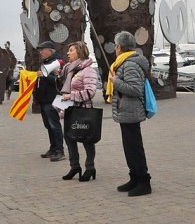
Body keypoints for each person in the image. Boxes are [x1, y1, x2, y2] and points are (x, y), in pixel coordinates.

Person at [107, 31, 153, 196]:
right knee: (129, 147)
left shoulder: (130, 64)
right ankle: (134, 177)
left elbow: (134, 89)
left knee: (135, 148)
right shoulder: (124, 63)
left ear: (120, 47)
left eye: (116, 46)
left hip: (131, 111)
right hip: (126, 111)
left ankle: (143, 181)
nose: (115, 49)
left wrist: (116, 82)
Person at [59, 41, 99, 182]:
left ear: (79, 52)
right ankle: (74, 167)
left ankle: (90, 168)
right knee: (69, 139)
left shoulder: (88, 70)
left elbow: (90, 92)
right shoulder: (69, 69)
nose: (68, 53)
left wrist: (71, 96)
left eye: (71, 50)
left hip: (83, 111)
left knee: (87, 140)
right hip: (70, 110)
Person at [33, 41, 65, 161]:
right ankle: (53, 148)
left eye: (42, 49)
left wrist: (44, 75)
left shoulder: (56, 63)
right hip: (43, 99)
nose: (40, 52)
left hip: (52, 99)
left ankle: (59, 151)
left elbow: (59, 80)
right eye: (40, 50)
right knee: (48, 125)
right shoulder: (45, 62)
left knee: (54, 125)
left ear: (50, 50)